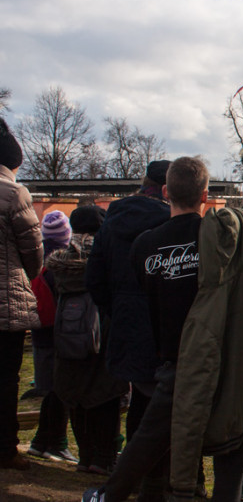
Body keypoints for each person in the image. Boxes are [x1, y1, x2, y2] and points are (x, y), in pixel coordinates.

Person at [82, 140, 243, 502]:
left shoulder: (144, 246)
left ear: (167, 191)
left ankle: (110, 495)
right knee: (231, 449)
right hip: (224, 362)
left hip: (172, 362)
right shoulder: (223, 236)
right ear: (206, 195)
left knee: (149, 439)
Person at [84, 161, 171, 492]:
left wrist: (117, 311)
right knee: (160, 403)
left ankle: (132, 476)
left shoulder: (112, 220)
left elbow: (96, 277)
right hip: (162, 326)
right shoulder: (172, 222)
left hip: (126, 321)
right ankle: (153, 478)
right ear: (168, 189)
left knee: (141, 400)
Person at [51, 206, 129, 476]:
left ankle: (84, 456)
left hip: (67, 333)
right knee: (104, 395)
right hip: (102, 333)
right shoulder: (107, 257)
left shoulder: (59, 261)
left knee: (75, 395)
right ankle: (104, 457)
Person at [0, 117, 43, 471]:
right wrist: (26, 278)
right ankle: (4, 449)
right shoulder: (14, 193)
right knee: (6, 378)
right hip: (5, 302)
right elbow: (33, 249)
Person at [26, 211, 76, 465]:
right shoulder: (62, 266)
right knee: (62, 391)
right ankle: (55, 444)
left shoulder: (36, 261)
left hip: (39, 333)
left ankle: (40, 442)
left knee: (51, 392)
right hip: (58, 335)